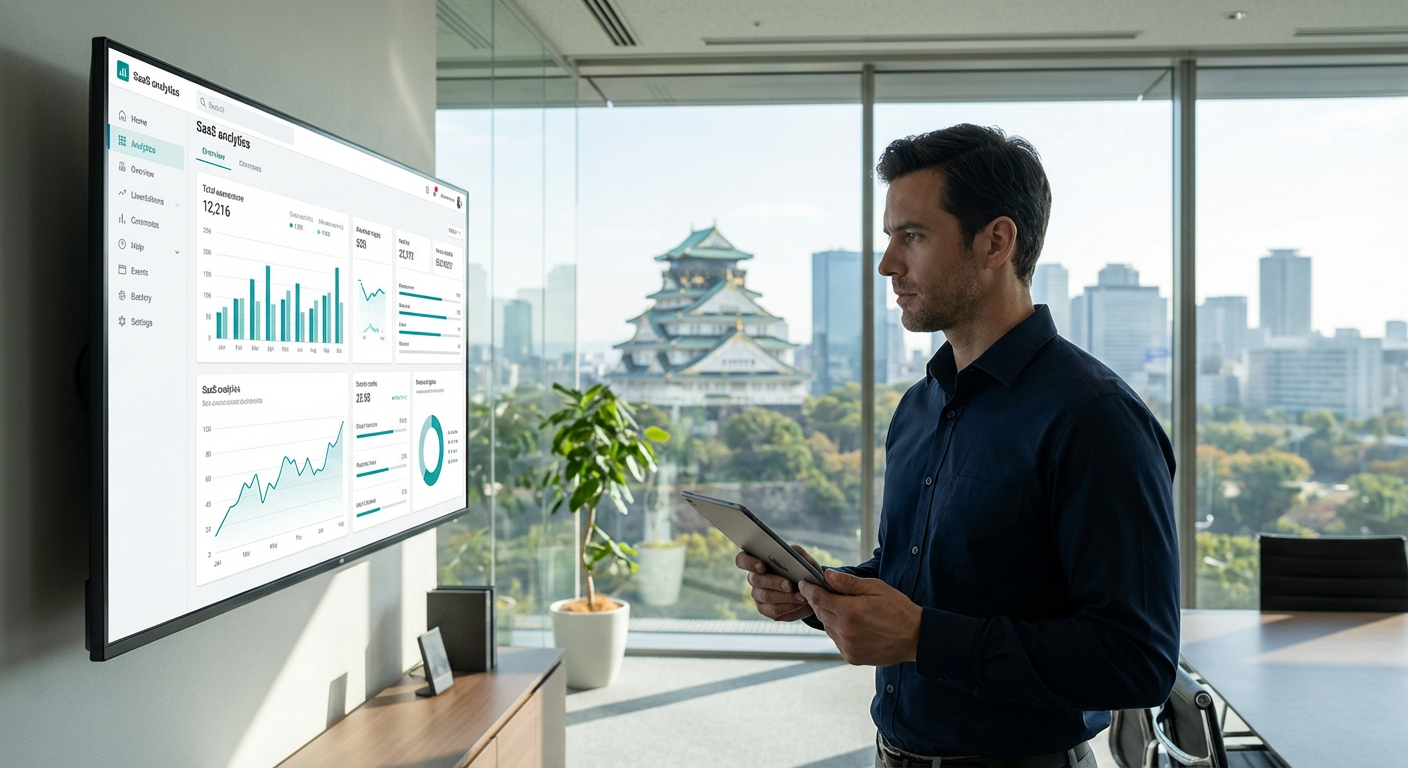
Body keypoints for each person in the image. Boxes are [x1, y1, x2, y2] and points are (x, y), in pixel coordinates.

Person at [736, 124, 1179, 768]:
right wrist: (817, 591)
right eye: (889, 238)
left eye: (911, 236)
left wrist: (923, 638)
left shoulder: (1094, 419)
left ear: (996, 241)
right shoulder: (920, 406)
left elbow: (1136, 661)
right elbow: (918, 574)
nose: (888, 264)